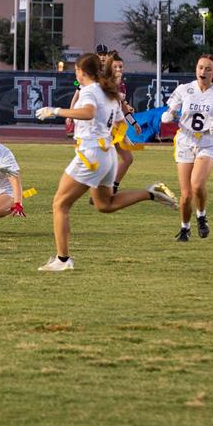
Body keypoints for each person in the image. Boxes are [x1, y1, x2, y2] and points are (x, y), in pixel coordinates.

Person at [34, 53, 178, 271]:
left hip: (91, 154)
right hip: (107, 153)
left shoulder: (90, 90)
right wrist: (126, 139)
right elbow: (120, 122)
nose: (77, 75)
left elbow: (89, 112)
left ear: (82, 72)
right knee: (105, 204)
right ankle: (151, 193)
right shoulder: (108, 91)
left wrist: (56, 111)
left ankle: (63, 260)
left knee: (60, 204)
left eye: (77, 72)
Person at [161, 53, 213, 242]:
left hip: (207, 141)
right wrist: (169, 114)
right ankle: (184, 228)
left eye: (208, 69)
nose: (203, 71)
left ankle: (201, 216)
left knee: (197, 184)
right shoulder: (184, 89)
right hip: (185, 140)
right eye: (200, 67)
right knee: (186, 194)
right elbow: (172, 108)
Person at [109, 51, 142, 193]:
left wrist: (133, 123)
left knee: (128, 158)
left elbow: (122, 107)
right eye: (115, 67)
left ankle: (112, 188)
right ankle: (103, 190)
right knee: (107, 160)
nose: (119, 70)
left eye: (121, 67)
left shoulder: (121, 84)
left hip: (118, 127)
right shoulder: (105, 83)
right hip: (105, 127)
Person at [65, 43, 109, 138]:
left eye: (104, 54)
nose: (102, 57)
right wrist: (70, 113)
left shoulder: (109, 73)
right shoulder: (90, 73)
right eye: (100, 54)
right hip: (88, 109)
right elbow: (77, 94)